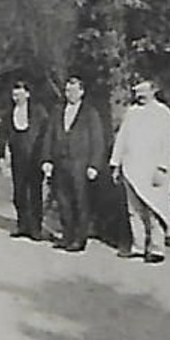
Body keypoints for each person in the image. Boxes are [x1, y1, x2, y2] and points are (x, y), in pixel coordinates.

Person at [110, 78, 170, 263]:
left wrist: (162, 167)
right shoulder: (132, 113)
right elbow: (122, 139)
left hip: (153, 170)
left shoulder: (164, 113)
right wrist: (116, 164)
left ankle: (157, 248)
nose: (140, 95)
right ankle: (138, 247)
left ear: (153, 91)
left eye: (143, 91)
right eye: (137, 91)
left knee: (154, 209)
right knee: (134, 211)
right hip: (131, 168)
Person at [42, 76, 109, 252]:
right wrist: (47, 159)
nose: (69, 94)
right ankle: (67, 235)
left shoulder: (90, 113)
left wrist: (94, 165)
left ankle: (80, 239)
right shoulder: (57, 110)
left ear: (81, 92)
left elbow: (98, 140)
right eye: (67, 90)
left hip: (80, 165)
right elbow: (49, 136)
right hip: (60, 163)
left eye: (73, 90)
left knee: (80, 201)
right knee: (63, 201)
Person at [0, 80, 49, 239]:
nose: (17, 98)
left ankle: (36, 228)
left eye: (20, 94)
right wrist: (0, 156)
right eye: (14, 95)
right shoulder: (8, 114)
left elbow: (46, 134)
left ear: (28, 94)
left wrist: (46, 157)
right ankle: (22, 225)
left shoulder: (39, 112)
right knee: (19, 192)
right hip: (17, 159)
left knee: (35, 193)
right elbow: (1, 135)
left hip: (35, 158)